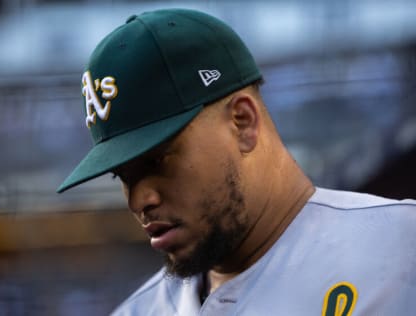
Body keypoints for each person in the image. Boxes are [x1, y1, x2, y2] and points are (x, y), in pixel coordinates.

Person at [57, 8, 416, 316]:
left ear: (243, 123)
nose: (139, 201)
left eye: (156, 160)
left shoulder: (401, 248)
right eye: (123, 175)